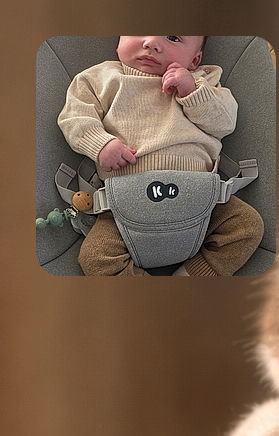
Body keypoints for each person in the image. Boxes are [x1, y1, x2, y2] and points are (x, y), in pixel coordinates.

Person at [57, 35, 263, 276]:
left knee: (248, 227)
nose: (151, 43)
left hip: (203, 200)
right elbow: (74, 118)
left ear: (195, 59)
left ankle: (191, 276)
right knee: (95, 258)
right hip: (124, 206)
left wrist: (192, 92)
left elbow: (225, 123)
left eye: (174, 38)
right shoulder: (97, 79)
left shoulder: (204, 81)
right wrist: (101, 145)